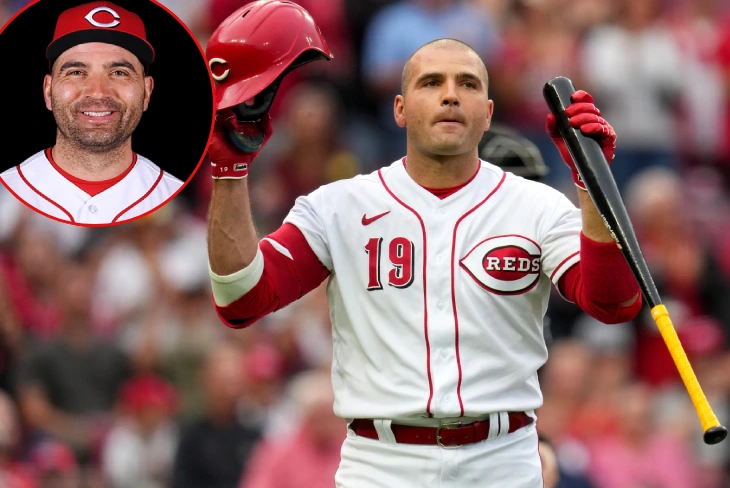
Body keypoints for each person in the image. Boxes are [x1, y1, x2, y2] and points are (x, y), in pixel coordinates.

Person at [206, 2, 642, 486]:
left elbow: (613, 301)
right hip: (381, 463)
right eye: (431, 83)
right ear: (399, 109)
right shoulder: (337, 206)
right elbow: (240, 298)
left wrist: (591, 183)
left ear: (488, 113)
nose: (450, 96)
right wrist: (230, 170)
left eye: (468, 84)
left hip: (502, 460)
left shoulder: (538, 205)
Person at [0, 1, 183, 225]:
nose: (97, 92)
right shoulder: (10, 188)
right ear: (48, 91)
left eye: (119, 72)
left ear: (147, 92)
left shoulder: (171, 191)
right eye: (76, 72)